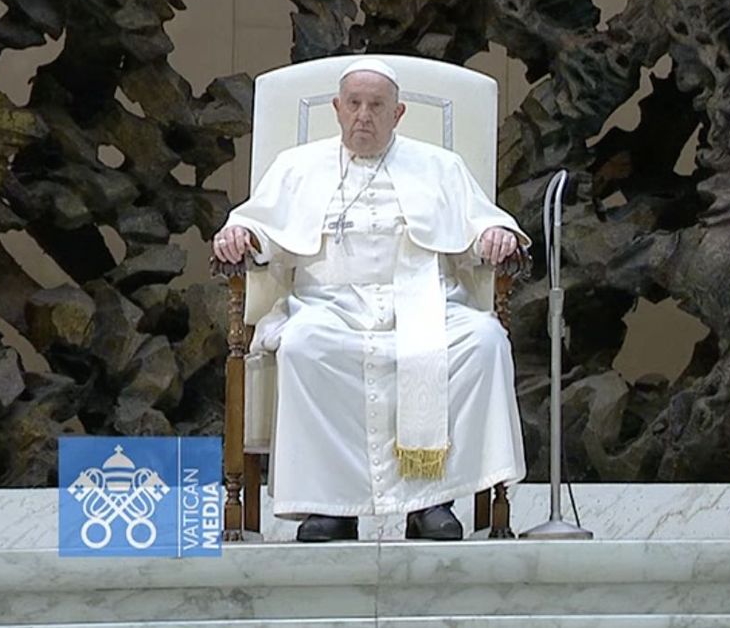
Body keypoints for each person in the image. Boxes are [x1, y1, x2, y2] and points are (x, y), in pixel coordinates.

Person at [211, 58, 528, 542]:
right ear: (337, 109)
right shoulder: (297, 167)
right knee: (304, 345)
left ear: (397, 114)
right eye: (354, 104)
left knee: (483, 340)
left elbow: (481, 223)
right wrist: (239, 234)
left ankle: (431, 502)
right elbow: (258, 225)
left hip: (424, 304)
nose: (364, 115)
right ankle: (329, 508)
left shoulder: (440, 166)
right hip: (328, 306)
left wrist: (496, 236)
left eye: (376, 105)